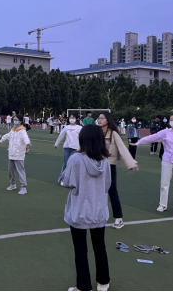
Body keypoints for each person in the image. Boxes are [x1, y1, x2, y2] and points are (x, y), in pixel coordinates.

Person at [63, 125, 111, 292]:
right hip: (98, 210)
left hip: (79, 210)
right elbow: (107, 185)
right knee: (100, 247)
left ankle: (83, 286)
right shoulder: (105, 161)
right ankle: (103, 282)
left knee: (80, 249)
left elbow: (67, 182)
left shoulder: (76, 159)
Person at [97, 112, 138, 230]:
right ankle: (97, 215)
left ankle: (118, 218)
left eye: (102, 118)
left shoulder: (113, 134)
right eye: (99, 118)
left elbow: (122, 148)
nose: (100, 120)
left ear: (108, 120)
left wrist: (131, 163)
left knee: (112, 191)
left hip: (109, 165)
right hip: (96, 165)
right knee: (96, 191)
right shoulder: (96, 132)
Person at [0, 114, 32, 195]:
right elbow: (7, 136)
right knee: (11, 171)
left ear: (20, 121)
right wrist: (0, 141)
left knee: (20, 171)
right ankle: (13, 184)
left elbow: (25, 138)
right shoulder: (13, 130)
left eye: (16, 120)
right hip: (11, 153)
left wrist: (28, 143)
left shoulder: (22, 131)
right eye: (14, 120)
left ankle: (23, 187)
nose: (14, 121)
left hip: (19, 154)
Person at [55, 114, 82, 184]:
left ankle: (72, 180)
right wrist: (56, 144)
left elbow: (82, 138)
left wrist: (82, 147)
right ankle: (62, 178)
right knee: (65, 164)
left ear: (76, 118)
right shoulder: (66, 127)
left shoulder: (79, 128)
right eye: (70, 117)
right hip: (67, 147)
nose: (71, 119)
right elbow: (61, 135)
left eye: (73, 117)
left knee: (73, 164)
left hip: (76, 148)